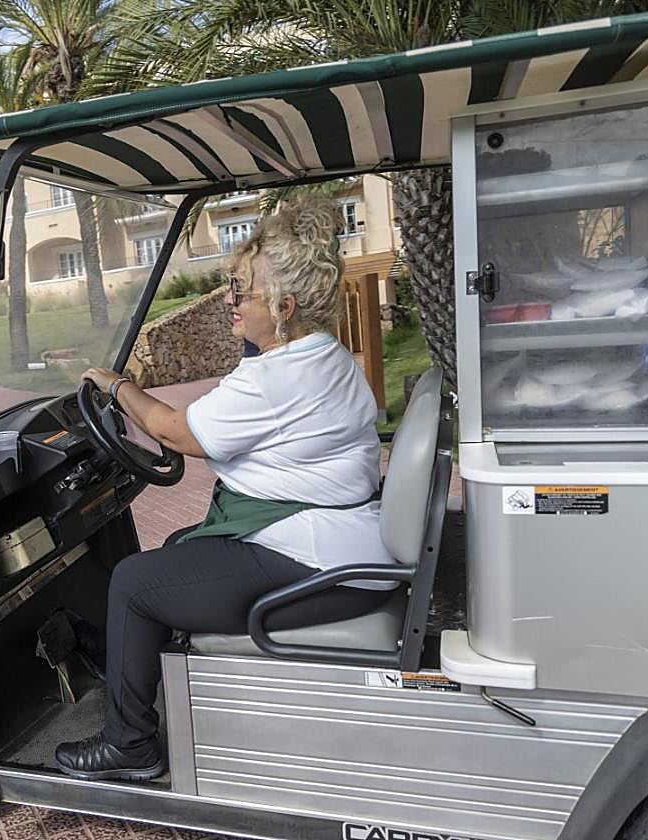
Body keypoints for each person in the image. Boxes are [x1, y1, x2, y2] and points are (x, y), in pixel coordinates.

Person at [55, 199, 394, 781]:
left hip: (324, 563)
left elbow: (178, 432)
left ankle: (129, 746)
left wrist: (118, 387)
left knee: (134, 583)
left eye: (243, 293)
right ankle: (127, 667)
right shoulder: (320, 354)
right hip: (341, 545)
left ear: (285, 308)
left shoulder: (277, 378)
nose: (230, 302)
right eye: (231, 287)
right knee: (181, 546)